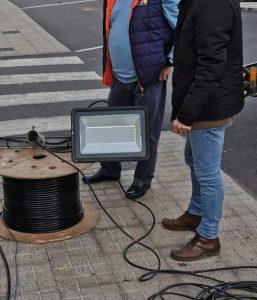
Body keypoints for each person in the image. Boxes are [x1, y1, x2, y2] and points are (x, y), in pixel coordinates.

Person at [163, 0, 244, 261]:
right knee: (193, 161)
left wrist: (186, 114)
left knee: (207, 173)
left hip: (208, 107)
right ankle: (195, 213)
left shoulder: (212, 4)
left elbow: (211, 65)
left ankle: (208, 237)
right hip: (203, 103)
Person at [83, 0, 178, 199]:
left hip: (149, 76)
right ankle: (110, 169)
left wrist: (171, 60)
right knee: (113, 125)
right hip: (120, 75)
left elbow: (183, 27)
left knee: (147, 131)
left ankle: (143, 178)